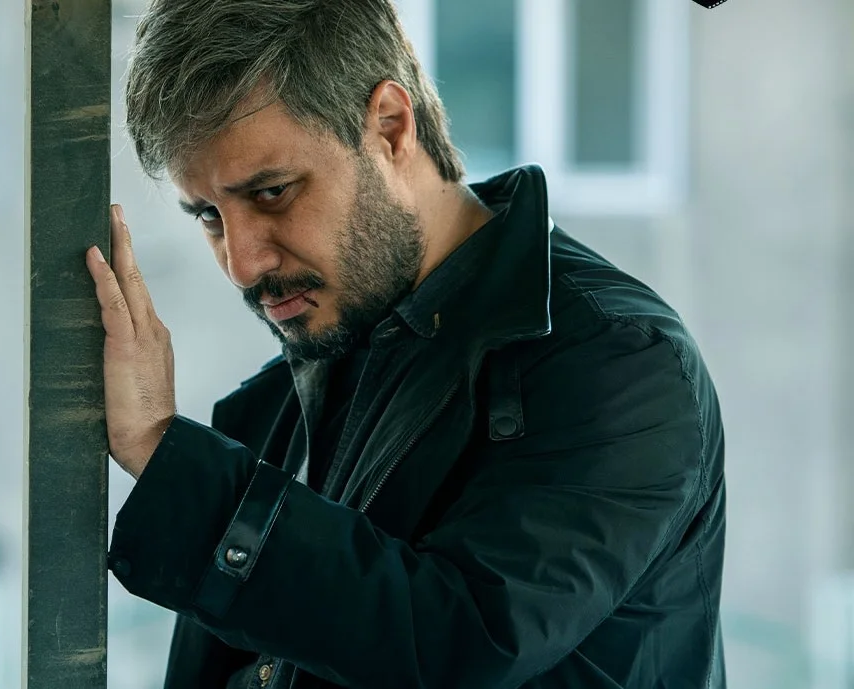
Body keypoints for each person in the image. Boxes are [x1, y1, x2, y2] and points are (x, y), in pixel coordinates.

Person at [82, 0, 727, 687]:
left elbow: (457, 644)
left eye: (272, 193)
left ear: (390, 127)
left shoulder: (616, 359)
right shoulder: (293, 390)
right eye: (210, 215)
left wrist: (162, 448)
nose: (242, 263)